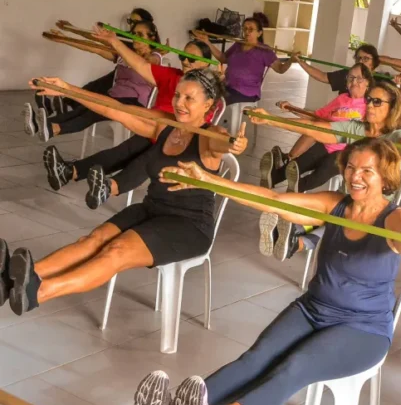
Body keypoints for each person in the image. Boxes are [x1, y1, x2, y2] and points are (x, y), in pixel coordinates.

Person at [130, 138, 401, 405]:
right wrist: (207, 179)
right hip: (313, 309)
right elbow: (273, 200)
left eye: (367, 171)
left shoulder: (393, 219)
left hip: (363, 329)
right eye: (352, 167)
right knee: (254, 360)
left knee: (293, 367)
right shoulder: (335, 204)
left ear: (385, 178)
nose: (356, 176)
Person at [2, 69, 245, 317]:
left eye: (189, 99)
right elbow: (113, 108)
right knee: (91, 241)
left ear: (208, 106)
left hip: (189, 225)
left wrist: (233, 144)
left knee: (116, 251)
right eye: (177, 96)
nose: (179, 104)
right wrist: (66, 88)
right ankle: (13, 279)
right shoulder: (164, 126)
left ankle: (36, 293)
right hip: (152, 209)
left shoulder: (210, 137)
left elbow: (222, 142)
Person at [246, 82, 401, 260]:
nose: (370, 105)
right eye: (369, 99)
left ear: (392, 108)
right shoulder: (357, 128)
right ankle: (295, 237)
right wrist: (270, 120)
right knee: (324, 207)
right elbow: (314, 129)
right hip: (348, 197)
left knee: (340, 215)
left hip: (375, 205)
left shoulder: (396, 135)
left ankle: (298, 241)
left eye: (377, 102)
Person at [40, 28, 218, 202]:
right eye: (182, 56)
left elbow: (211, 135)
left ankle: (104, 184)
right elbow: (139, 65)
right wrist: (114, 41)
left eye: (192, 58)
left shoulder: (207, 93)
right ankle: (74, 173)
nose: (186, 61)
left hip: (180, 141)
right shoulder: (172, 75)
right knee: (126, 149)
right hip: (155, 128)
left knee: (148, 155)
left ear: (207, 63)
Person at [25, 20, 164, 142]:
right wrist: (64, 39)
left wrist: (117, 45)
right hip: (114, 96)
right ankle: (42, 125)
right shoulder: (124, 53)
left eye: (140, 35)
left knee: (93, 112)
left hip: (134, 102)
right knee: (85, 107)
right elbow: (94, 49)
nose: (135, 38)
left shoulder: (154, 57)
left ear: (151, 37)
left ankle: (54, 128)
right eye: (133, 34)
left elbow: (144, 64)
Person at [258, 63, 374, 193]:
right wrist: (292, 108)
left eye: (359, 78)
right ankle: (271, 178)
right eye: (351, 77)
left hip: (346, 152)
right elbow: (316, 117)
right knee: (297, 165)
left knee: (322, 172)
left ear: (368, 83)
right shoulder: (341, 99)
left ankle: (295, 189)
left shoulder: (369, 106)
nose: (354, 82)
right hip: (326, 143)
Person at [193, 13, 291, 107]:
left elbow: (280, 69)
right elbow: (223, 58)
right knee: (203, 93)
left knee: (215, 101)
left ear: (259, 33)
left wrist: (291, 60)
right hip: (228, 86)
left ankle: (209, 122)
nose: (247, 32)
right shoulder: (238, 44)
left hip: (247, 92)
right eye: (245, 29)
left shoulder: (265, 50)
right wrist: (207, 42)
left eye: (251, 29)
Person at [291, 44, 384, 93]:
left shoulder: (381, 80)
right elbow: (322, 76)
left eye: (366, 59)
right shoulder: (347, 74)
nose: (361, 61)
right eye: (358, 58)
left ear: (374, 62)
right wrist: (300, 62)